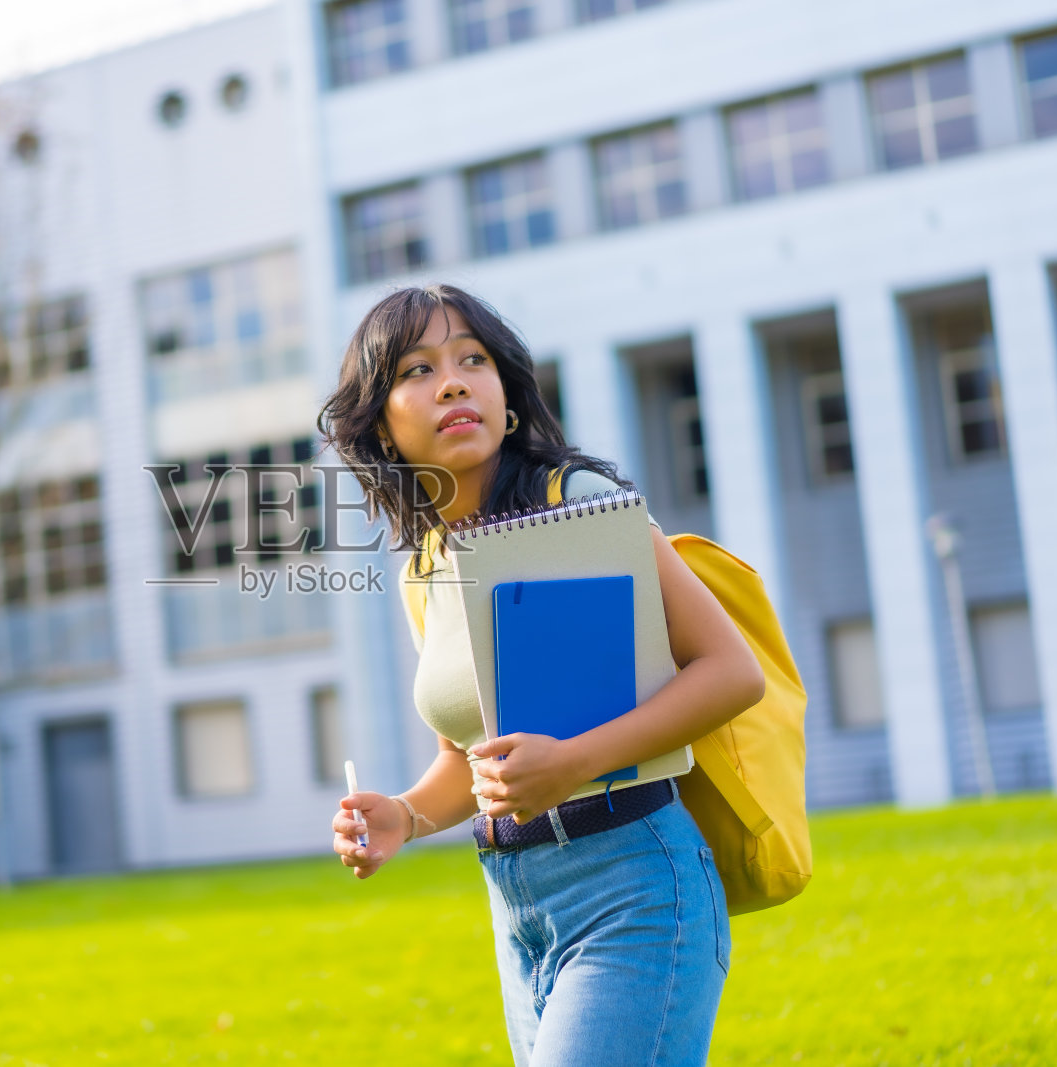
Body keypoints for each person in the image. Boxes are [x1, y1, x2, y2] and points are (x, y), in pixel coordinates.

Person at [315, 284, 765, 1067]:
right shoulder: (424, 568)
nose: (452, 380)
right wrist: (406, 815)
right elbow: (474, 756)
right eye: (417, 369)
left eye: (472, 359)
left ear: (507, 394)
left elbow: (731, 672)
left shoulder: (578, 504)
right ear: (380, 423)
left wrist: (576, 762)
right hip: (518, 905)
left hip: (633, 884)